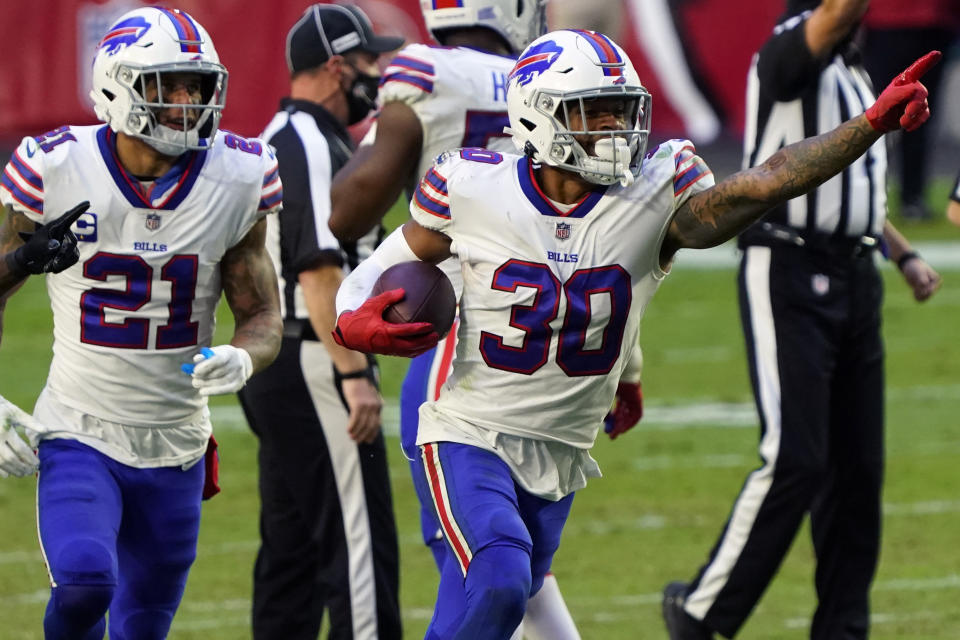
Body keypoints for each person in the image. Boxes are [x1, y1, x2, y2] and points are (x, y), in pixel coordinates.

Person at [331, 26, 937, 640]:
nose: (614, 129)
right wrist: (355, 321)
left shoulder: (654, 192)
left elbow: (769, 178)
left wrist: (865, 127)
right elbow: (369, 277)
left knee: (487, 607)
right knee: (499, 579)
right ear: (539, 117)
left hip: (563, 446)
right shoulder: (470, 185)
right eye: (593, 112)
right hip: (469, 433)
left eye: (621, 111)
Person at [328, 3, 641, 637]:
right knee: (497, 565)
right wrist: (627, 366)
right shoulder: (559, 73)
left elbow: (347, 210)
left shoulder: (431, 73)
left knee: (495, 566)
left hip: (461, 345)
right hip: (552, 337)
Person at [661, 2, 942, 639]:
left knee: (858, 470)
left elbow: (852, 180)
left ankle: (842, 629)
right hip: (789, 267)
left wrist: (903, 253)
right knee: (795, 457)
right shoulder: (787, 53)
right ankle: (703, 613)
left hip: (855, 275)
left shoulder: (855, 74)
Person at [0, 7, 283, 639]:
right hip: (79, 426)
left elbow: (261, 312)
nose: (188, 102)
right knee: (83, 583)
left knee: (144, 625)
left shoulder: (238, 178)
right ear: (117, 85)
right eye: (169, 86)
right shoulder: (55, 167)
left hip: (176, 440)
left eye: (198, 86)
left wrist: (244, 354)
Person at [236, 4, 403, 640]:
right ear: (336, 65)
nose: (377, 73)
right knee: (360, 550)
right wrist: (354, 372)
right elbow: (317, 269)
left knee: (294, 552)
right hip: (315, 358)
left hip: (295, 359)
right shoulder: (302, 139)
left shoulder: (315, 137)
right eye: (368, 60)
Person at [863, 0, 960, 220]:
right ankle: (909, 198)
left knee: (881, 115)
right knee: (903, 117)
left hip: (896, 23)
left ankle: (876, 194)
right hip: (922, 22)